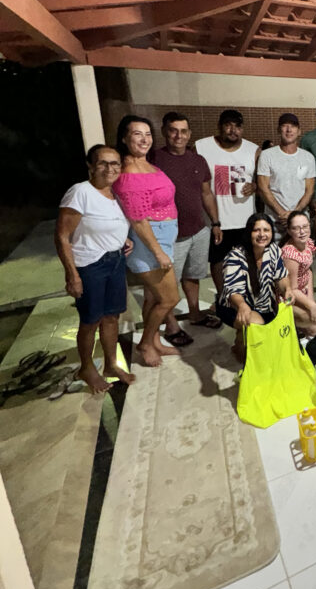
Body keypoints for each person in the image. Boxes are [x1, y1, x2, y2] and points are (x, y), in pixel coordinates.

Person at [55, 145, 136, 391]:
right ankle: (86, 367)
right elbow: (62, 236)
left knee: (112, 317)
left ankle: (111, 364)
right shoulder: (80, 192)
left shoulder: (115, 194)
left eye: (115, 163)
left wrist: (123, 239)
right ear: (91, 166)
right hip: (90, 265)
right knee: (91, 320)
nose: (110, 168)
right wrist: (72, 275)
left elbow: (107, 224)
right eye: (103, 163)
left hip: (116, 261)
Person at [112, 116, 180, 368]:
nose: (144, 139)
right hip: (149, 244)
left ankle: (155, 341)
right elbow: (138, 220)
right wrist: (158, 252)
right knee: (170, 299)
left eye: (148, 134)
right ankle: (144, 343)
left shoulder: (149, 165)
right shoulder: (129, 174)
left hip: (163, 238)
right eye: (137, 134)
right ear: (124, 138)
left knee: (153, 297)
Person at [151, 112, 222, 344]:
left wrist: (215, 222)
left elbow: (206, 193)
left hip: (198, 230)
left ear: (189, 134)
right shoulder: (154, 159)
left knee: (193, 275)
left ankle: (195, 313)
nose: (178, 136)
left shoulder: (198, 160)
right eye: (173, 131)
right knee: (168, 284)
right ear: (164, 132)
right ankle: (171, 326)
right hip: (170, 235)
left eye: (183, 131)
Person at [195, 109, 259, 296]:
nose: (233, 130)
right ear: (219, 126)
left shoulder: (253, 150)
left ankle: (256, 296)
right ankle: (223, 298)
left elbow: (262, 180)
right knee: (218, 260)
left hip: (245, 218)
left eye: (237, 126)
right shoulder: (202, 147)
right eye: (228, 125)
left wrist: (254, 185)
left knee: (251, 259)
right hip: (217, 221)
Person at [219, 213, 293, 361]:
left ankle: (247, 337)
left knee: (305, 321)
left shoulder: (273, 250)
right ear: (249, 233)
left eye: (266, 230)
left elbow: (281, 277)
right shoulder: (235, 256)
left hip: (266, 306)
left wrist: (288, 289)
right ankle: (240, 343)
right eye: (256, 230)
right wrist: (242, 305)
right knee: (256, 327)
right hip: (236, 307)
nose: (262, 234)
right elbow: (233, 291)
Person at [257, 113, 315, 234]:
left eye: (293, 126)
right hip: (274, 222)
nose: (289, 130)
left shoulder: (308, 157)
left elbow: (309, 190)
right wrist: (281, 213)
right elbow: (263, 188)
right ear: (279, 130)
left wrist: (294, 215)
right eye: (285, 126)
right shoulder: (267, 155)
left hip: (300, 222)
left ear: (299, 131)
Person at [280, 210, 316, 336]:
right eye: (296, 228)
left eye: (305, 226)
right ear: (289, 231)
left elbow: (308, 271)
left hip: (302, 290)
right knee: (315, 324)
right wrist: (311, 305)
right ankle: (291, 322)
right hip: (289, 295)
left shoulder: (308, 242)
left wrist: (310, 299)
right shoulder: (290, 254)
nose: (302, 231)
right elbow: (292, 289)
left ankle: (298, 323)